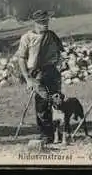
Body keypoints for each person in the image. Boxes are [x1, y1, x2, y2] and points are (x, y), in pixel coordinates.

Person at [17, 10, 64, 144]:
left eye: (47, 21)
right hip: (36, 74)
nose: (46, 24)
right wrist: (27, 78)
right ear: (35, 23)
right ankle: (45, 134)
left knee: (57, 103)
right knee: (43, 103)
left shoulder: (52, 36)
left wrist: (58, 63)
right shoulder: (27, 38)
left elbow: (60, 53)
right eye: (43, 22)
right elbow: (21, 58)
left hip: (52, 72)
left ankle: (57, 133)